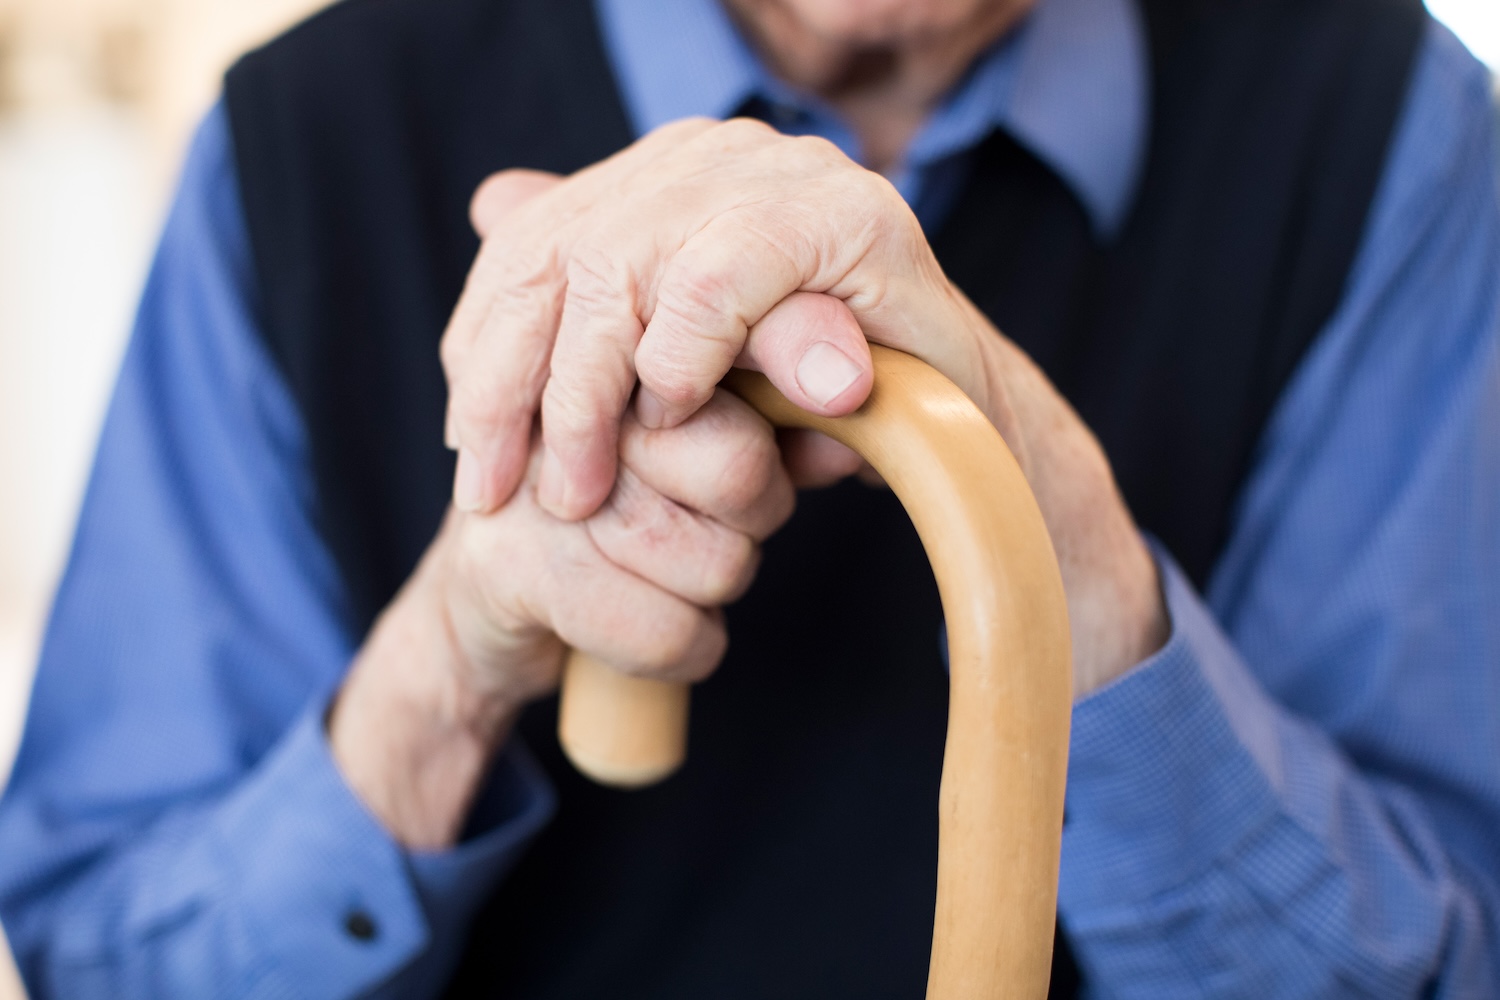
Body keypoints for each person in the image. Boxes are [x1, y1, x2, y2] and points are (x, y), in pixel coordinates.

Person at [1, 0, 1497, 995]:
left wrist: (1066, 538)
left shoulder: (1397, 137)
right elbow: (101, 952)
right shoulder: (308, 137)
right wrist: (453, 662)